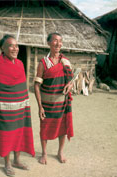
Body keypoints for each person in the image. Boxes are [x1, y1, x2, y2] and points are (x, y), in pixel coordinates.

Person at [0, 35, 35, 176]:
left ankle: (17, 160)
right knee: (7, 134)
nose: (15, 48)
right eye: (11, 45)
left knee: (20, 132)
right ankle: (7, 163)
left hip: (21, 105)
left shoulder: (20, 64)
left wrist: (24, 101)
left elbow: (21, 85)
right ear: (2, 48)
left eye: (16, 45)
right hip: (5, 107)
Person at [34, 32, 74, 164]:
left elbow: (71, 79)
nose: (58, 43)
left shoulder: (65, 62)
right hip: (46, 104)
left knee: (62, 128)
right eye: (55, 40)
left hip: (62, 103)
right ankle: (44, 153)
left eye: (60, 41)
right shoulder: (43, 63)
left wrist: (70, 83)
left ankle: (60, 152)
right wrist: (40, 106)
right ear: (49, 43)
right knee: (44, 128)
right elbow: (36, 85)